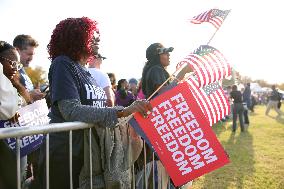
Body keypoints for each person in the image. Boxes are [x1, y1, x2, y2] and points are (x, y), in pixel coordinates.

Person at [37, 17, 152, 189]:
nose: (98, 38)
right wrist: (122, 111)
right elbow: (71, 110)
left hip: (88, 154)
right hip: (66, 154)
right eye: (92, 35)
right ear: (75, 37)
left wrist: (126, 116)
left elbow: (98, 108)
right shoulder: (62, 63)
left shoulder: (85, 70)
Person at [140, 43, 192, 189]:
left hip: (160, 123)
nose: (169, 55)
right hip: (159, 124)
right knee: (164, 169)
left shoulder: (156, 70)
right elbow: (165, 94)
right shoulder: (156, 69)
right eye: (165, 53)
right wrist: (182, 73)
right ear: (157, 56)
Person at [0, 41, 32, 189]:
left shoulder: (12, 81)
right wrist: (17, 106)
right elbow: (9, 110)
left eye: (17, 65)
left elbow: (28, 101)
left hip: (14, 146)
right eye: (12, 62)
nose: (15, 68)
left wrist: (17, 84)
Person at [13, 34, 45, 101]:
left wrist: (36, 92)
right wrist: (30, 96)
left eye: (32, 55)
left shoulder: (21, 70)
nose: (31, 58)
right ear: (17, 51)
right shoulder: (7, 72)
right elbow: (5, 102)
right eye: (29, 54)